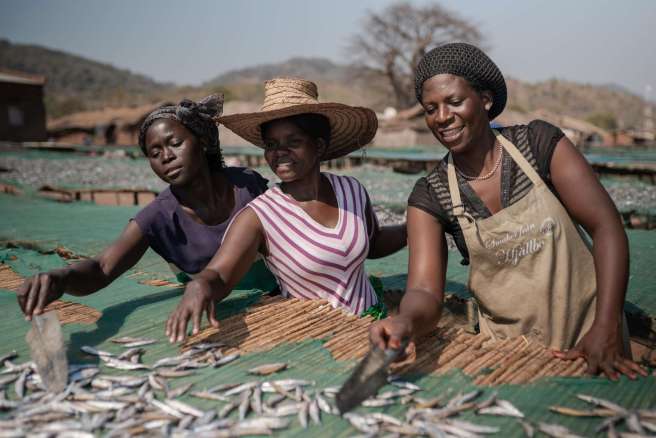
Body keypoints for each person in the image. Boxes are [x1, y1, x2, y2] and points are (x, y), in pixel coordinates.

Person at [369, 43, 647, 380]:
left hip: (593, 344)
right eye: (431, 108)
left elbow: (606, 227)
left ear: (485, 100)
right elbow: (425, 292)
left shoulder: (540, 145)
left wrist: (606, 325)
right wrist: (405, 321)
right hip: (510, 360)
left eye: (455, 102)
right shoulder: (431, 195)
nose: (442, 117)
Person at [164, 78, 407, 343]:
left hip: (375, 323)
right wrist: (200, 286)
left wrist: (413, 227)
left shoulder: (351, 189)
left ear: (320, 146)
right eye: (271, 145)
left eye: (293, 141)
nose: (279, 152)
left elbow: (373, 242)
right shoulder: (259, 216)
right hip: (316, 339)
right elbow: (220, 275)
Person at [17, 95, 275, 320]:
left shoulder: (247, 185)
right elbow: (102, 268)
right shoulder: (157, 218)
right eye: (154, 152)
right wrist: (60, 279)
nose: (166, 157)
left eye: (175, 143)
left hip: (275, 303)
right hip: (212, 316)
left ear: (203, 142)